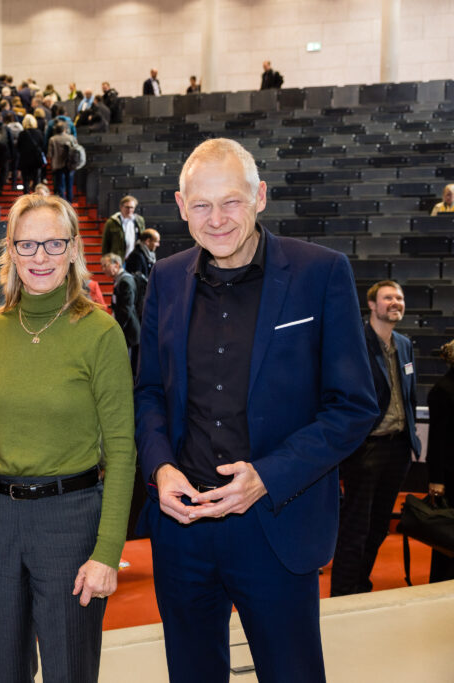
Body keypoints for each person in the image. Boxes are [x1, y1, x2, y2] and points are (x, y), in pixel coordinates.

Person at [134, 137, 378, 683]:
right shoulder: (167, 278)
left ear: (260, 196)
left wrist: (266, 477)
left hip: (275, 522)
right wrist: (161, 468)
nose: (216, 219)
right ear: (180, 206)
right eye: (201, 205)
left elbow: (354, 406)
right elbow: (149, 391)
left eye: (232, 202)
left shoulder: (321, 273)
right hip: (184, 525)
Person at [0, 193, 135, 682]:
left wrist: (107, 551)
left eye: (54, 243)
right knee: (6, 672)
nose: (40, 257)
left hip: (69, 520)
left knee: (69, 671)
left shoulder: (100, 332)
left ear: (74, 249)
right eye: (26, 245)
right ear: (10, 250)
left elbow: (120, 448)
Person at [331, 281, 420, 596]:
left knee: (380, 525)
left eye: (399, 297)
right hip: (366, 447)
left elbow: (408, 396)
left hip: (398, 447)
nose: (395, 302)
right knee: (356, 525)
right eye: (388, 298)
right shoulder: (355, 342)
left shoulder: (405, 344)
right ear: (372, 305)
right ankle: (342, 593)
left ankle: (361, 585)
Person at [427, 339, 454, 582]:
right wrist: (435, 479)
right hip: (449, 475)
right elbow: (436, 441)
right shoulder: (442, 390)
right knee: (447, 537)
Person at [103, 253, 140, 362]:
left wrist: (117, 327)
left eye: (105, 265)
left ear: (117, 265)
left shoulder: (125, 281)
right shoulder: (120, 280)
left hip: (128, 332)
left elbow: (126, 310)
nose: (103, 269)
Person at [101, 195, 145, 259]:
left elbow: (142, 239)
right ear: (121, 207)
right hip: (118, 258)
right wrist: (105, 258)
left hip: (134, 258)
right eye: (127, 207)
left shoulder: (139, 220)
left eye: (132, 207)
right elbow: (105, 243)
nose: (129, 210)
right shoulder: (111, 222)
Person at [47, 121, 77, 204]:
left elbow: (49, 154)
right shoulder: (71, 138)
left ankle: (62, 205)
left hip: (57, 165)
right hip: (70, 165)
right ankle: (69, 205)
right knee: (69, 186)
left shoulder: (52, 139)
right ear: (65, 129)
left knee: (60, 187)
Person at [16, 114, 46, 194]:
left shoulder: (22, 134)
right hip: (36, 160)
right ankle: (37, 197)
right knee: (37, 179)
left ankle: (26, 197)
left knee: (25, 180)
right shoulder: (39, 133)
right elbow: (43, 146)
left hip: (25, 160)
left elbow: (18, 147)